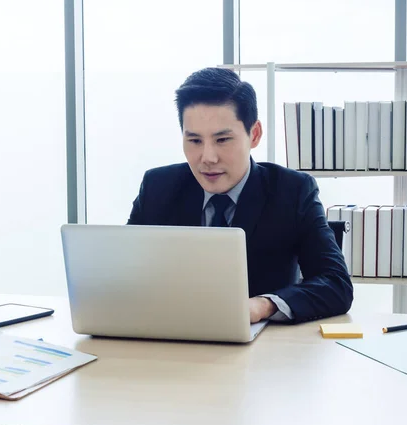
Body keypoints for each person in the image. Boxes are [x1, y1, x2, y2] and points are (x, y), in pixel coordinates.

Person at [127, 67, 353, 324]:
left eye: (222, 140)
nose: (207, 158)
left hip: (261, 349)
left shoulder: (292, 191)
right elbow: (125, 272)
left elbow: (336, 285)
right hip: (170, 338)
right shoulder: (158, 187)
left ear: (254, 134)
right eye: (195, 141)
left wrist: (263, 305)